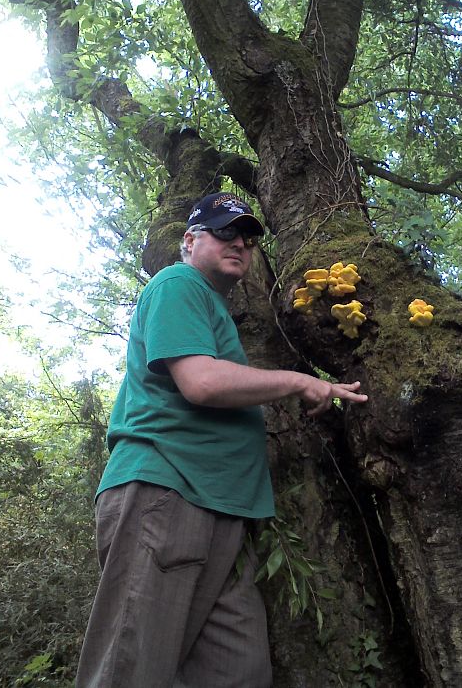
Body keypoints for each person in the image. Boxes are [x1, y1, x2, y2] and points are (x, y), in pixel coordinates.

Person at [76, 191, 368, 688]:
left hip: (224, 511)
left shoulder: (210, 309)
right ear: (190, 240)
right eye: (225, 232)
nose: (241, 244)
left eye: (250, 239)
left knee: (239, 672)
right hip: (166, 491)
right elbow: (203, 383)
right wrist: (299, 381)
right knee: (131, 667)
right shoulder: (177, 283)